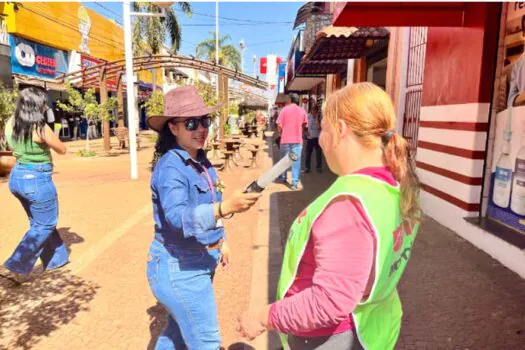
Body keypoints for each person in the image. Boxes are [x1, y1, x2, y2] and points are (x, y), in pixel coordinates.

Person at [237, 83, 421, 350]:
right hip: (372, 324)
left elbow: (329, 301)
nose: (320, 138)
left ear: (341, 130)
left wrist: (263, 316)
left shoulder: (348, 205)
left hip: (329, 337)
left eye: (323, 128)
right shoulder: (393, 186)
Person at [146, 86, 261, 350]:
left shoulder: (203, 162)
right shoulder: (170, 166)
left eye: (205, 121)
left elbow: (213, 202)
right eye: (191, 123)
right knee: (206, 342)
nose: (201, 129)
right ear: (173, 128)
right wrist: (223, 209)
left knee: (174, 334)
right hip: (179, 266)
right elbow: (177, 216)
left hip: (196, 261)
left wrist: (222, 239)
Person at [2, 87, 68, 282]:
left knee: (38, 222)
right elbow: (62, 149)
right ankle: (16, 264)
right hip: (36, 179)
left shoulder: (10, 123)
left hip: (17, 177)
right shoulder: (39, 127)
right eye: (43, 103)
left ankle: (56, 259)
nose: (46, 106)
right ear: (35, 105)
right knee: (45, 223)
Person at [276, 94, 308, 190]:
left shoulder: (284, 110)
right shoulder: (302, 111)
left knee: (284, 160)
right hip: (297, 140)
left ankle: (283, 177)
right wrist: (299, 131)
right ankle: (294, 183)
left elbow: (279, 125)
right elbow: (304, 125)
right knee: (296, 161)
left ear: (290, 100)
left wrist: (281, 133)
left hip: (285, 139)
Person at [304, 104, 323, 173]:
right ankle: (307, 167)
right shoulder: (308, 117)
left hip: (317, 137)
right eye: (313, 110)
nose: (314, 112)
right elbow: (305, 126)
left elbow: (319, 127)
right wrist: (306, 133)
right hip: (310, 138)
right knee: (308, 153)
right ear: (311, 111)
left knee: (318, 153)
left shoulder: (319, 118)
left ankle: (319, 167)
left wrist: (318, 118)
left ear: (317, 111)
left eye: (315, 111)